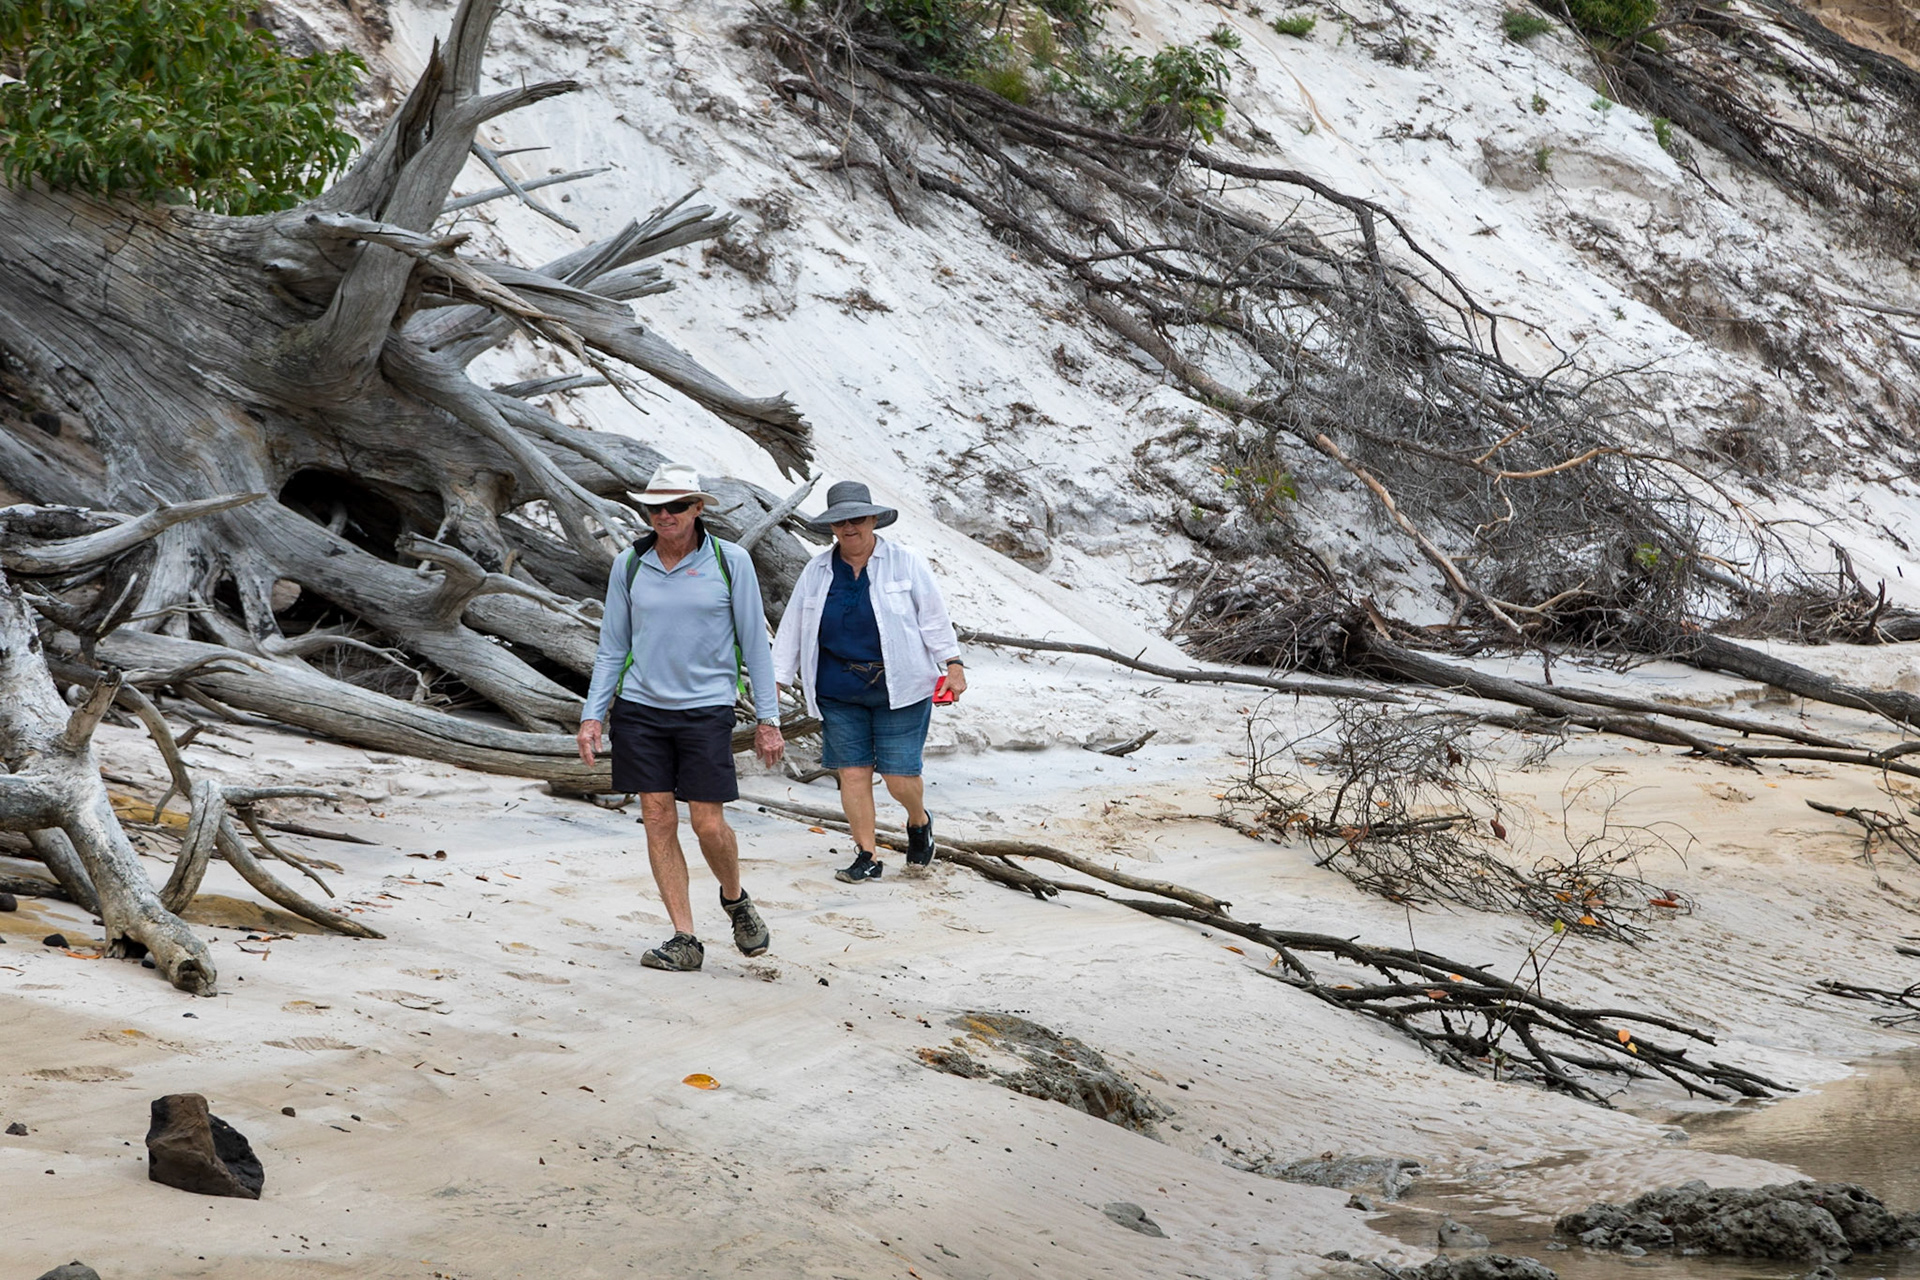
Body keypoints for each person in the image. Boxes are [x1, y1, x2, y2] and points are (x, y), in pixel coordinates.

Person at [577, 462, 785, 972]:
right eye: (654, 507)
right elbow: (611, 648)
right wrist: (592, 716)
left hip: (706, 710)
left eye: (674, 506)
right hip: (642, 709)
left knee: (708, 824)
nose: (663, 515)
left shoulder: (729, 561)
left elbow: (756, 645)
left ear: (697, 509)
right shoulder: (629, 563)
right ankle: (684, 937)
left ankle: (734, 898)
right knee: (656, 817)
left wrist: (768, 719)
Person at [773, 480, 965, 883]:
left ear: (873, 519)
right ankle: (867, 854)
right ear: (831, 527)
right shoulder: (818, 570)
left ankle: (918, 820)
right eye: (840, 522)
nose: (849, 528)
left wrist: (953, 664)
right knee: (853, 772)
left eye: (857, 519)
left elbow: (933, 617)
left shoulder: (905, 561)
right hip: (838, 688)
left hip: (902, 685)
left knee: (899, 777)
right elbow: (793, 626)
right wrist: (775, 679)